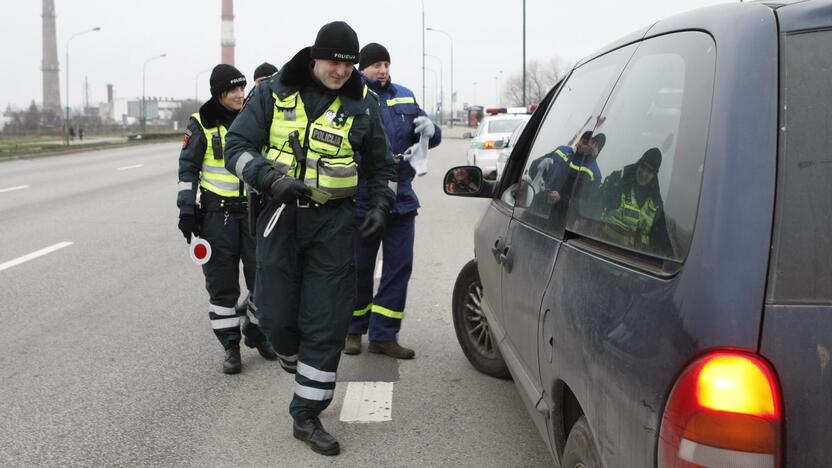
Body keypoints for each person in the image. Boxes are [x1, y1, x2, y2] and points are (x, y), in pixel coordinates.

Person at [223, 21, 396, 456]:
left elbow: (381, 166)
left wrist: (379, 206)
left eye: (348, 63)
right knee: (281, 323)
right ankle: (263, 314)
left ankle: (306, 413)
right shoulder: (272, 93)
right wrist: (269, 180)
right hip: (279, 217)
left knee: (326, 323)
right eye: (333, 60)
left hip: (334, 225)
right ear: (315, 56)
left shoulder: (364, 104)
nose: (340, 70)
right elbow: (236, 148)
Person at [176, 64, 277, 375]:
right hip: (216, 218)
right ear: (219, 93)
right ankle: (231, 346)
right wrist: (186, 209)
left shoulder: (253, 118)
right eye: (233, 90)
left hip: (252, 213)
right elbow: (188, 170)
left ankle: (257, 332)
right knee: (222, 289)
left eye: (242, 88)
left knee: (266, 279)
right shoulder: (200, 124)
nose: (239, 94)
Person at [344, 42, 441, 359]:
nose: (383, 70)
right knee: (358, 269)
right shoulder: (350, 97)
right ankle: (354, 330)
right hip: (365, 199)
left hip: (401, 199)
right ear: (362, 69)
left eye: (386, 64)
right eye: (376, 65)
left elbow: (426, 135)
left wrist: (432, 130)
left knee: (398, 269)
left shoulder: (404, 95)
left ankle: (385, 335)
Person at [599, 147, 671, 254]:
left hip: (634, 265)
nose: (643, 174)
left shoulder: (656, 204)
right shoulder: (617, 182)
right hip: (600, 254)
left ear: (655, 175)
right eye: (642, 167)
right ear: (638, 164)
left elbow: (661, 242)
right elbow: (594, 205)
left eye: (649, 172)